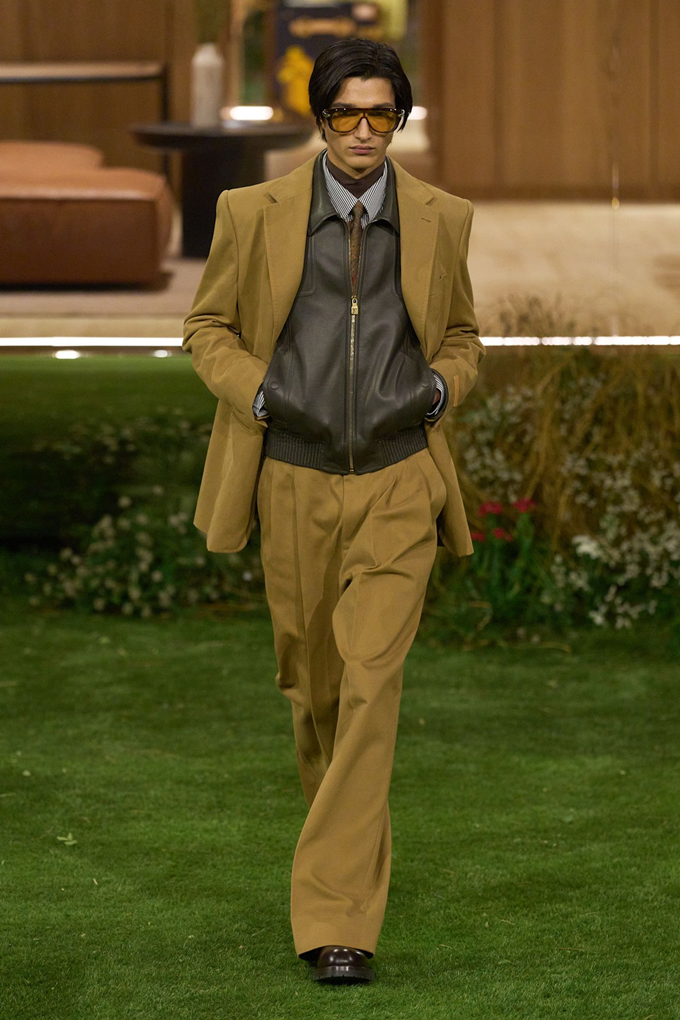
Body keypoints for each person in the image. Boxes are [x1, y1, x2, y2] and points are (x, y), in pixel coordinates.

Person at [182, 36, 485, 985]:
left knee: (371, 686)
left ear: (400, 121)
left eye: (379, 114)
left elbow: (463, 335)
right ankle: (342, 872)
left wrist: (437, 389)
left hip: (399, 479)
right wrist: (262, 394)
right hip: (293, 478)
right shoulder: (252, 211)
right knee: (314, 696)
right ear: (319, 120)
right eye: (345, 113)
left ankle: (337, 922)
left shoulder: (441, 218)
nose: (362, 131)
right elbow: (206, 326)